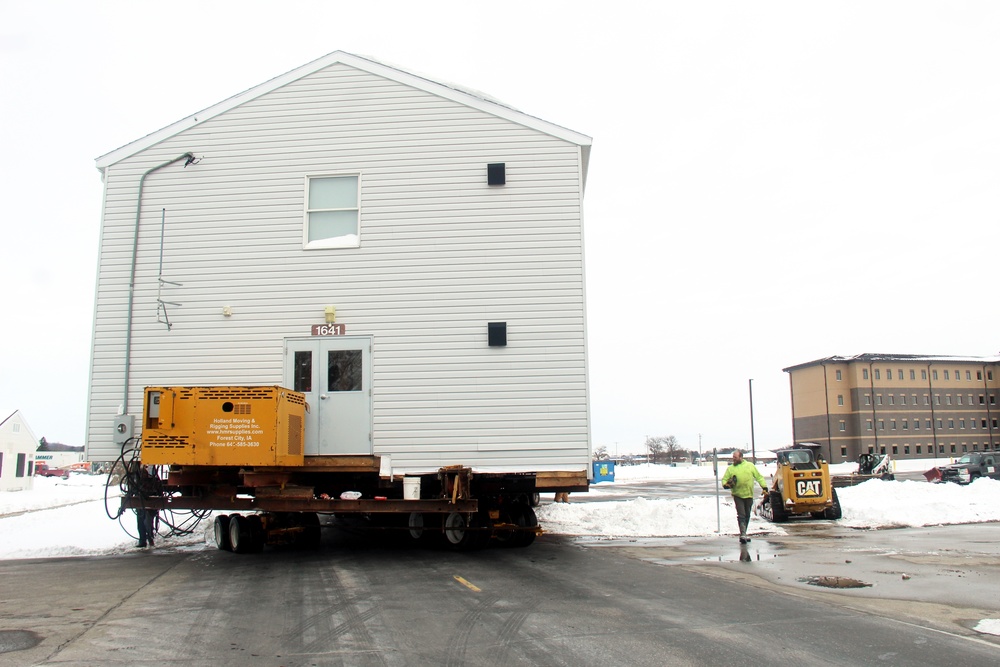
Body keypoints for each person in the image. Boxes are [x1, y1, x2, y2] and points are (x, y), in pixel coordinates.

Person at [721, 450, 768, 544]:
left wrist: (764, 487)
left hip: (749, 494)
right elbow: (724, 479)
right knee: (741, 514)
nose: (733, 459)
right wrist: (726, 485)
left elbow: (759, 477)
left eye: (735, 457)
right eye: (733, 457)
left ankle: (744, 533)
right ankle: (742, 534)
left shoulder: (750, 466)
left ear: (741, 457)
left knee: (747, 514)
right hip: (737, 494)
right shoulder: (730, 469)